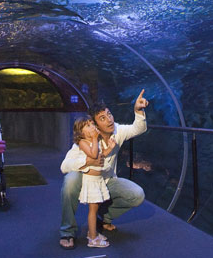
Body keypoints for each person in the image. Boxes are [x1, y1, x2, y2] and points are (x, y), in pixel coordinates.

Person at [59, 89, 149, 249]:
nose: (109, 120)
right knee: (70, 180)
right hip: (87, 181)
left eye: (109, 114)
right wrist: (86, 161)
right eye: (102, 118)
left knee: (137, 195)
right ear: (95, 125)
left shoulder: (117, 130)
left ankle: (103, 217)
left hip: (107, 181)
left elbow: (138, 129)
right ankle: (68, 231)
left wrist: (138, 110)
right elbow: (64, 166)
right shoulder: (85, 140)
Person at [72, 116, 115, 248]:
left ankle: (93, 232)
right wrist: (96, 139)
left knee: (95, 209)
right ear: (81, 132)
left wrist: (110, 148)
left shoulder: (95, 142)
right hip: (91, 181)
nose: (92, 127)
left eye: (92, 124)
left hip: (98, 180)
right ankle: (92, 238)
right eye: (88, 125)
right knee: (93, 210)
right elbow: (93, 155)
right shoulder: (83, 142)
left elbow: (102, 156)